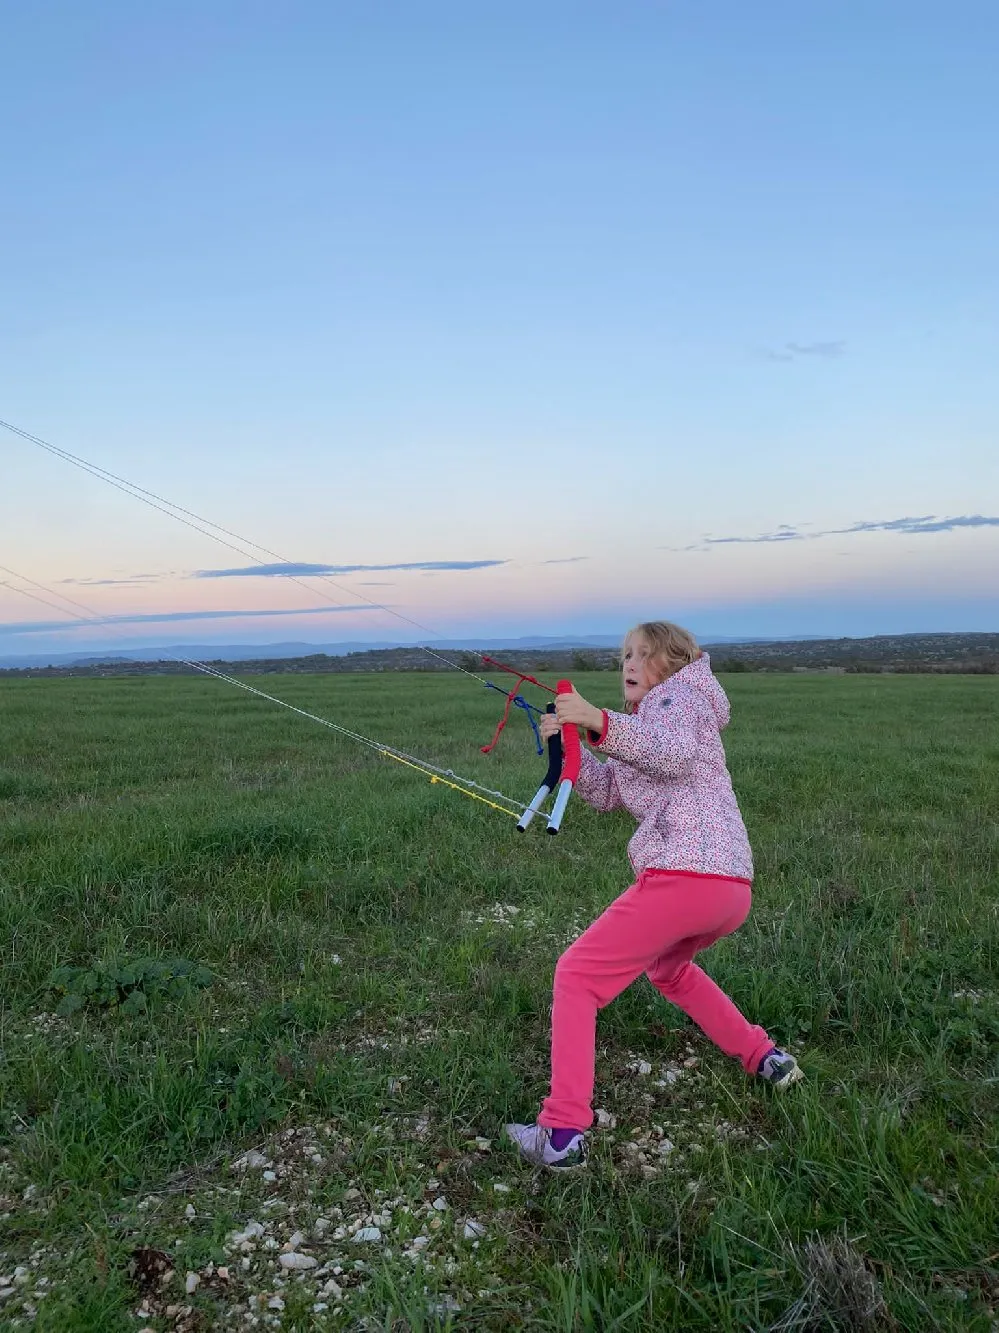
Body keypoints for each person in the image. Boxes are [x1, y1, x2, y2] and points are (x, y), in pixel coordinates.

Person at [505, 621, 802, 1170]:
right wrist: (566, 742)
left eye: (645, 654)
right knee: (669, 972)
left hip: (685, 875)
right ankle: (765, 1056)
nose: (630, 663)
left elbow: (672, 754)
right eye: (625, 655)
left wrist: (595, 719)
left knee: (576, 975)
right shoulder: (643, 722)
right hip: (726, 888)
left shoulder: (684, 700)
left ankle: (562, 1132)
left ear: (678, 661)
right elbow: (610, 792)